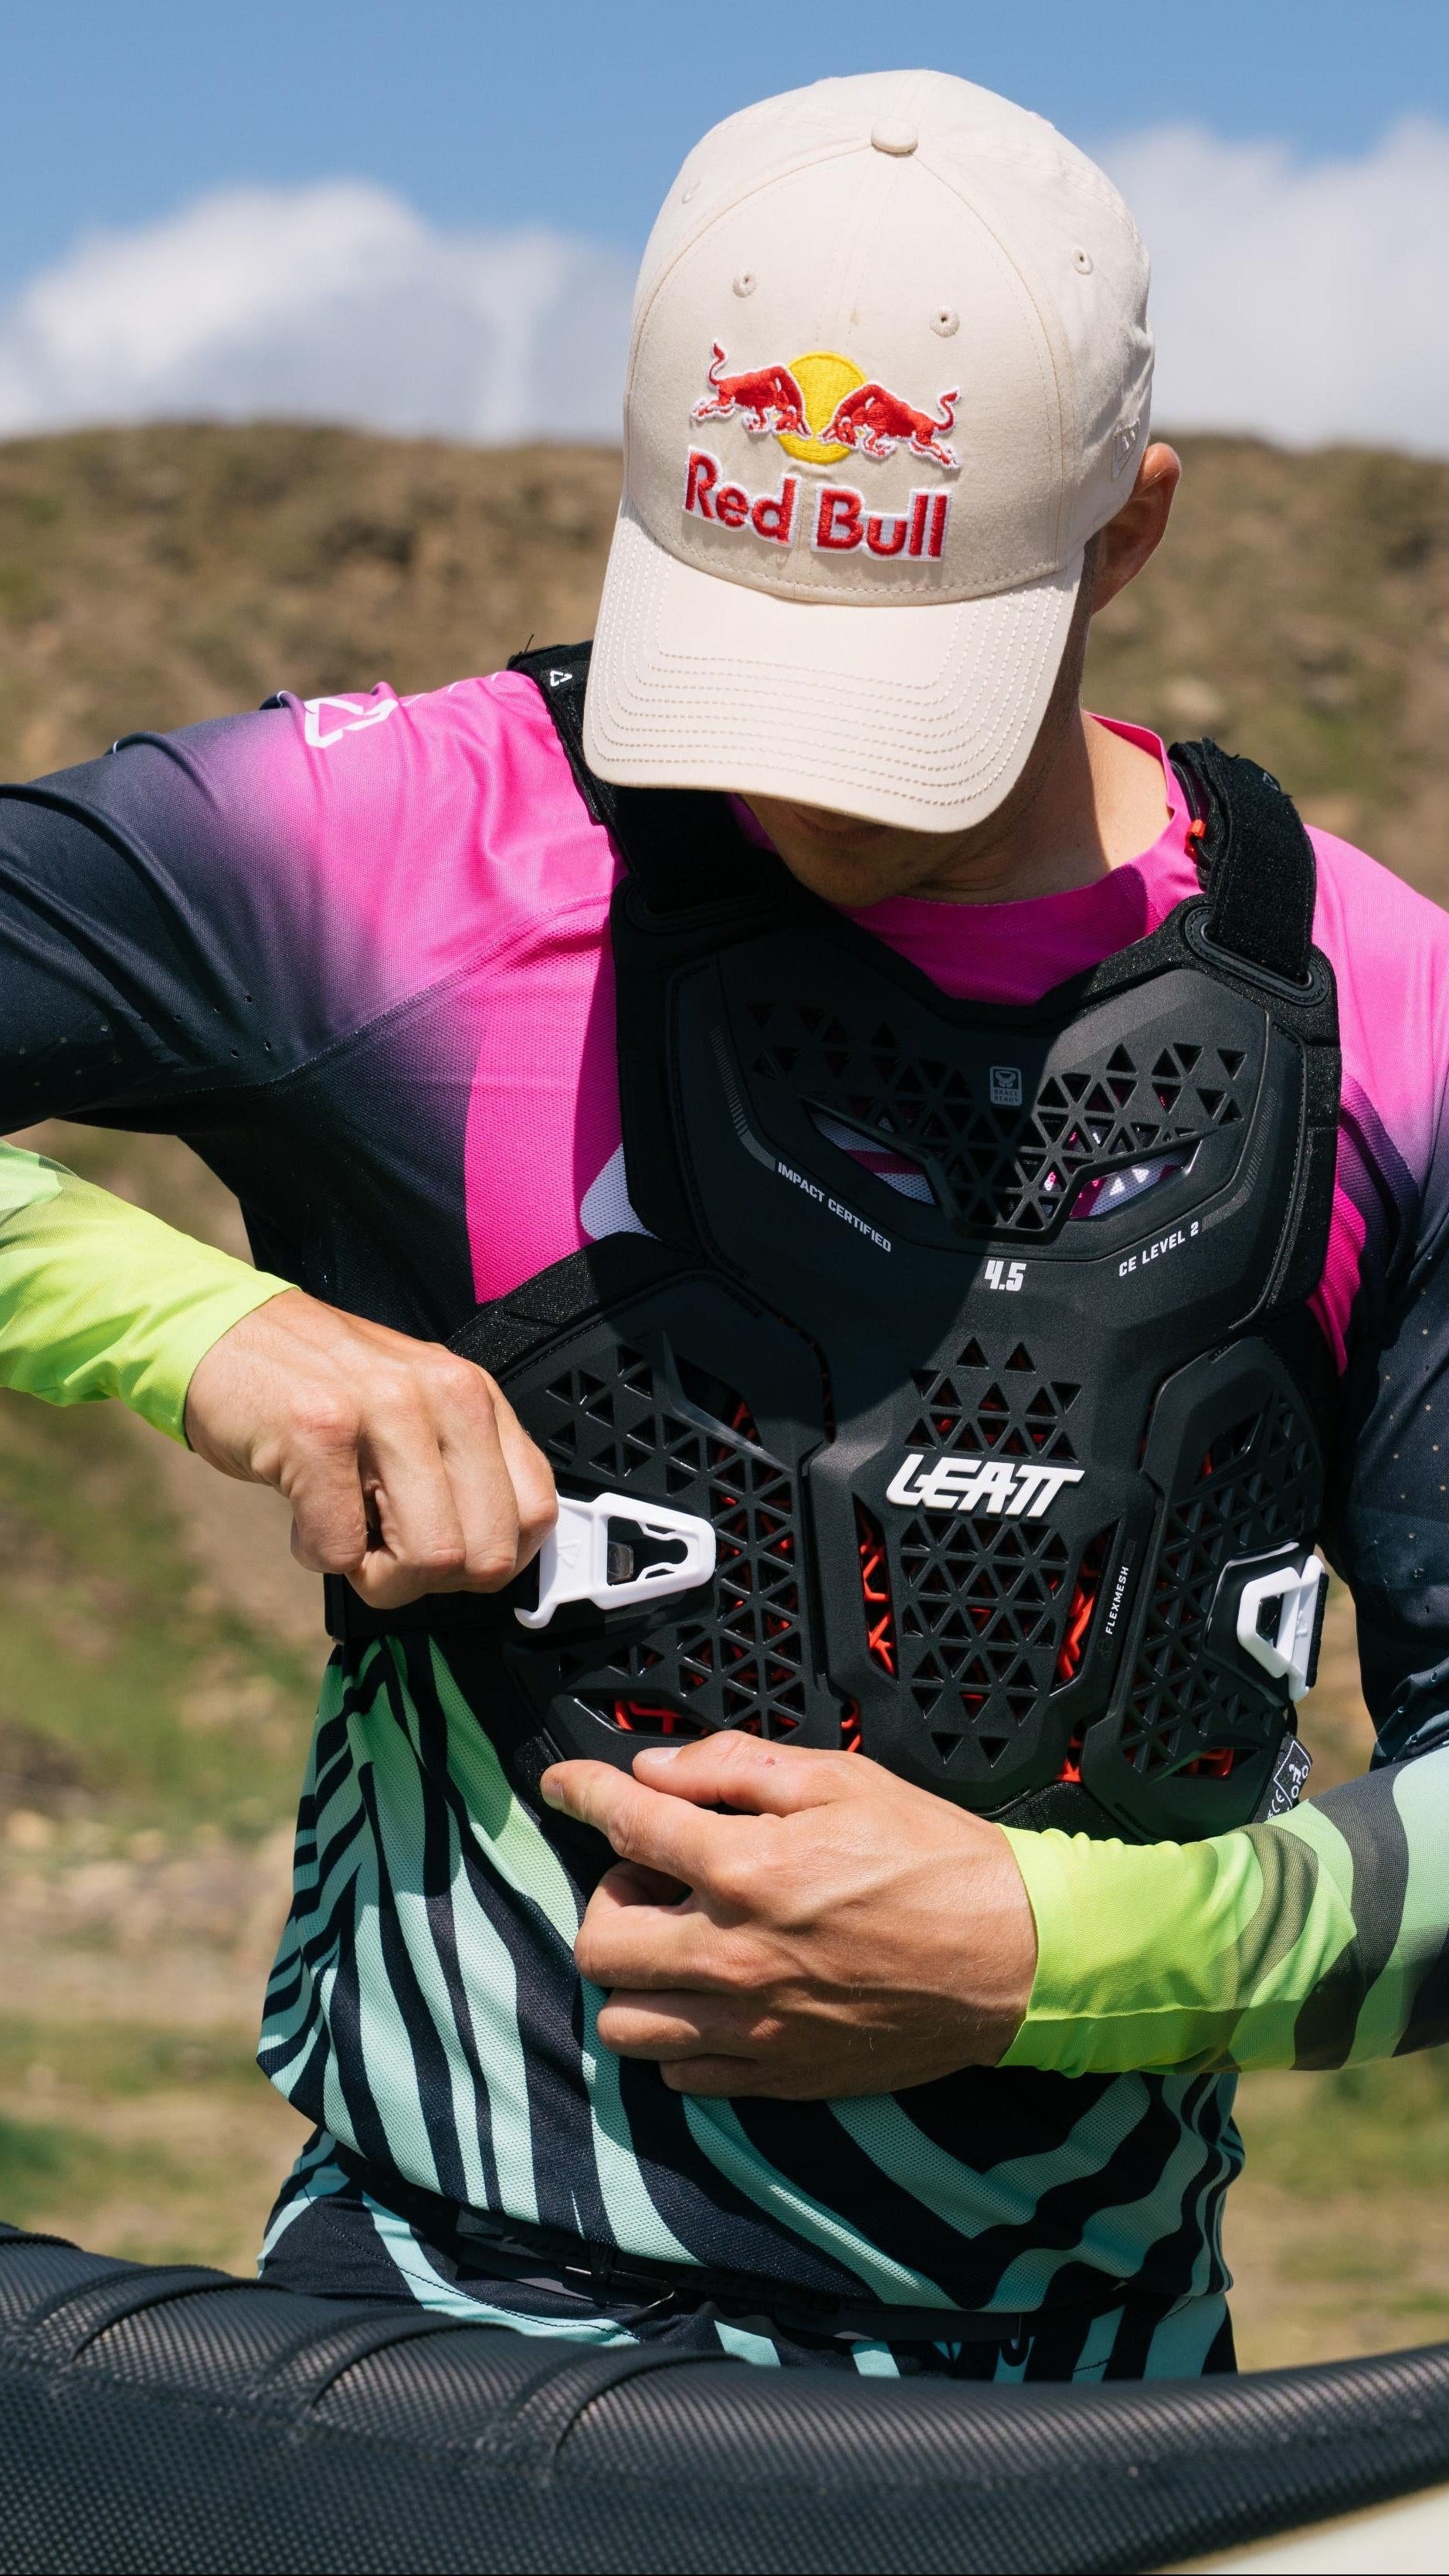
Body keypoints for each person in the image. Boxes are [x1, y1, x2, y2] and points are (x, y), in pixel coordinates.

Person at [3, 67, 1448, 2388]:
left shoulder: (1387, 1020)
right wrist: (200, 1331)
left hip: (1086, 2439)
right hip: (448, 2374)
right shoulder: (387, 855)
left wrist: (1040, 1946)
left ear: (1129, 529)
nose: (789, 778)